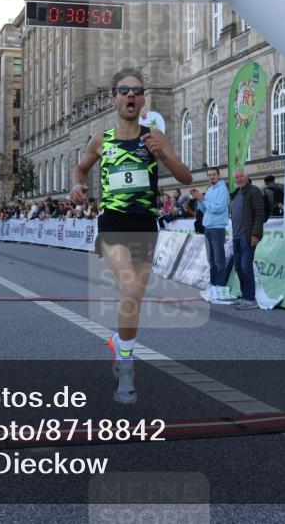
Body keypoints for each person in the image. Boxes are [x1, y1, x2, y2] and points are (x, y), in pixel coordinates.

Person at [70, 68, 192, 404]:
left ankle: (120, 348)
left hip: (144, 225)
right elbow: (81, 168)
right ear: (114, 98)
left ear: (142, 100)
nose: (130, 96)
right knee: (130, 285)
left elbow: (185, 176)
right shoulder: (101, 139)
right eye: (124, 91)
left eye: (136, 91)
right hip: (112, 223)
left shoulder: (155, 137)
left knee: (134, 298)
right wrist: (77, 186)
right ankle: (126, 369)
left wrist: (163, 153)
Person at [229, 167, 266, 311]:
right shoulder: (236, 193)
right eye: (237, 177)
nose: (239, 178)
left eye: (241, 176)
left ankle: (251, 299)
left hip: (248, 235)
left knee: (246, 266)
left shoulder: (254, 191)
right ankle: (245, 297)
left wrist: (255, 234)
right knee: (238, 267)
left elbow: (259, 215)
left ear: (247, 177)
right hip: (236, 236)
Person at [198, 168, 233, 305]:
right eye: (209, 175)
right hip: (208, 227)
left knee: (219, 260)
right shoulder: (210, 189)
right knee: (211, 260)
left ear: (219, 175)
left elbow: (217, 208)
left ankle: (220, 287)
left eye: (214, 174)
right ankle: (213, 286)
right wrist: (200, 201)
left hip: (217, 228)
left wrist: (204, 200)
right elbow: (205, 210)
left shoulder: (222, 189)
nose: (211, 177)